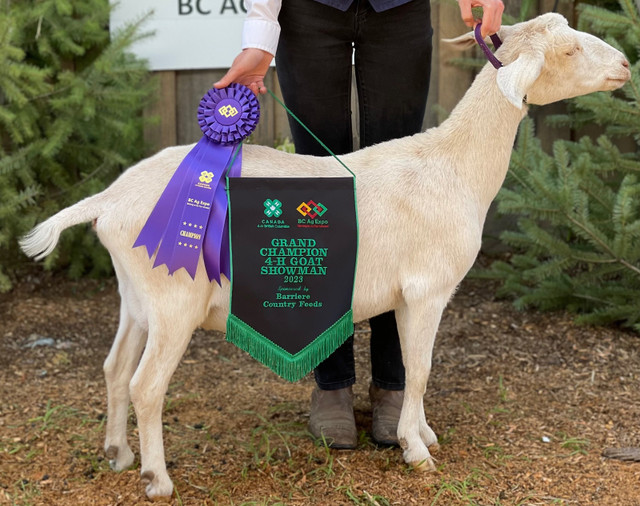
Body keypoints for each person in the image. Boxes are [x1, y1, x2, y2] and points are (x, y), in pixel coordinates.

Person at [215, 0, 504, 449]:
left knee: (399, 194)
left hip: (399, 11)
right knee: (318, 195)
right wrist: (260, 34)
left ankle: (393, 384)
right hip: (308, 13)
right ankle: (332, 385)